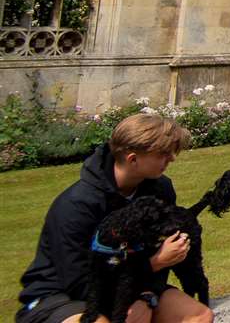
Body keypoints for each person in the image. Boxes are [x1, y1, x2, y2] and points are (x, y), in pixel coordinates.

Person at [16, 112, 212, 323]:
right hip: (64, 295)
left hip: (135, 284)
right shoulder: (76, 205)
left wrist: (147, 297)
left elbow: (160, 252)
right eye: (163, 153)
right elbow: (79, 281)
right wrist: (150, 266)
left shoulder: (160, 191)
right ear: (133, 159)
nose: (171, 158)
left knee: (199, 316)